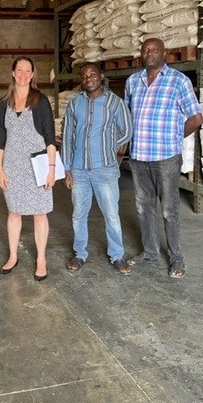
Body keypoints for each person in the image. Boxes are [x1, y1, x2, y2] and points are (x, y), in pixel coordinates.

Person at [124, 38, 203, 278]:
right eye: (145, 50)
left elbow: (196, 118)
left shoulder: (178, 81)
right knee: (143, 207)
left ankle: (177, 258)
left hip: (166, 156)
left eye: (154, 50)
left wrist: (174, 138)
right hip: (138, 156)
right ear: (141, 54)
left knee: (169, 209)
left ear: (164, 53)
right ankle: (150, 252)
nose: (149, 53)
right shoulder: (132, 81)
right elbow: (127, 117)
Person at [62, 63, 133, 275]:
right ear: (81, 80)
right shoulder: (75, 104)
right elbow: (67, 137)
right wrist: (67, 168)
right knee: (78, 214)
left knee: (111, 214)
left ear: (101, 76)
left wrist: (109, 146)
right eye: (84, 76)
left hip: (105, 169)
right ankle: (80, 253)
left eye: (93, 74)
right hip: (79, 169)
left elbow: (127, 130)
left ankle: (117, 255)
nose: (89, 78)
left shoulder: (114, 103)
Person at [0, 56, 56, 282]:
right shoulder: (3, 103)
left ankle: (41, 259)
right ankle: (13, 256)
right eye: (19, 70)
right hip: (12, 164)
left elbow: (50, 138)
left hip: (37, 165)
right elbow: (0, 139)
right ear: (13, 73)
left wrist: (51, 168)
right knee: (14, 212)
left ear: (32, 74)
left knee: (40, 214)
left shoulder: (40, 101)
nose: (22, 74)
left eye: (27, 71)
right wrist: (0, 169)